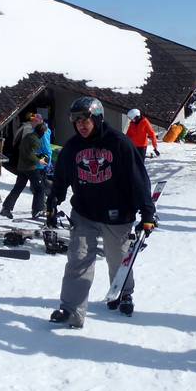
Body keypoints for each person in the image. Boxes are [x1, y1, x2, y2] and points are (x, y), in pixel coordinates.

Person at [48, 97, 157, 328]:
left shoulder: (119, 143)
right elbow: (61, 177)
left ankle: (123, 293)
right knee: (78, 260)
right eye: (76, 121)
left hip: (117, 214)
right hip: (84, 212)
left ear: (97, 118)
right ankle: (71, 311)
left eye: (85, 120)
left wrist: (147, 212)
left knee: (118, 258)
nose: (80, 125)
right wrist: (54, 200)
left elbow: (138, 179)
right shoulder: (73, 146)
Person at [0, 122, 49, 219]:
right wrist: (39, 160)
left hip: (22, 167)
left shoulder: (28, 136)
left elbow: (25, 151)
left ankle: (6, 208)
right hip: (30, 168)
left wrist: (38, 156)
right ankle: (37, 210)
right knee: (40, 188)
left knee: (18, 187)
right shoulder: (35, 140)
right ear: (42, 132)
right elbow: (30, 154)